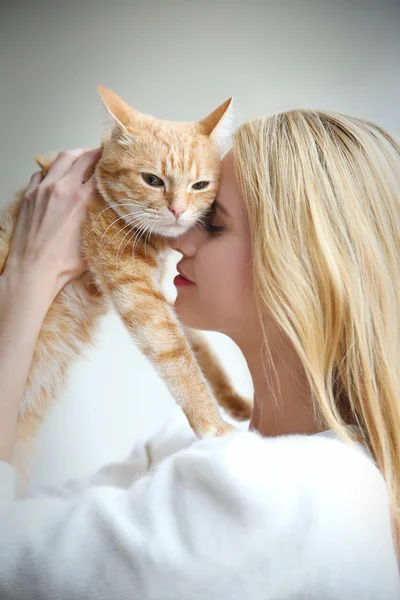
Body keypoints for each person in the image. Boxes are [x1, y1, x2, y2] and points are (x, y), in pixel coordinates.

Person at [0, 111, 399, 599]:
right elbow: (26, 522)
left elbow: (9, 558)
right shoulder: (187, 447)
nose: (179, 237)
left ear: (298, 264)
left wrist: (26, 284)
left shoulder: (291, 488)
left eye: (212, 221)